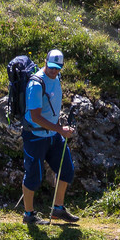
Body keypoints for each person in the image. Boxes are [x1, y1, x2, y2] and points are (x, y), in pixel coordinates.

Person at [21, 49, 79, 225]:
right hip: (35, 137)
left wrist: (59, 127)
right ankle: (28, 215)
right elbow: (36, 117)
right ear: (45, 62)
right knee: (33, 176)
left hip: (52, 135)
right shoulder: (36, 84)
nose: (54, 71)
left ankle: (58, 209)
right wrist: (60, 130)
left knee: (66, 169)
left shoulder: (56, 78)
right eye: (51, 67)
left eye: (58, 68)